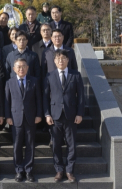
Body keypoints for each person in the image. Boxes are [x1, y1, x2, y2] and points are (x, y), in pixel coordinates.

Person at [44, 49, 85, 183]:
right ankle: (59, 170)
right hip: (55, 115)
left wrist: (79, 113)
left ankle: (69, 170)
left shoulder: (76, 75)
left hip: (71, 115)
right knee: (55, 144)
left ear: (68, 60)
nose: (60, 61)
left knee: (71, 144)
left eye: (63, 58)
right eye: (58, 59)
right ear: (54, 61)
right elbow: (45, 97)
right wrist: (47, 114)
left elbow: (81, 97)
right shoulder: (49, 75)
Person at [5, 58, 43, 182]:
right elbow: (7, 102)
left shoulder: (34, 81)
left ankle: (28, 170)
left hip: (31, 118)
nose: (21, 69)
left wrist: (39, 115)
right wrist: (8, 117)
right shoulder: (9, 82)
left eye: (23, 67)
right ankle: (19, 170)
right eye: (18, 67)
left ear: (27, 68)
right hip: (15, 119)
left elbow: (39, 99)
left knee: (30, 144)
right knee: (17, 146)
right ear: (14, 69)